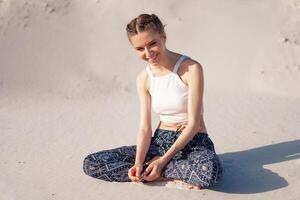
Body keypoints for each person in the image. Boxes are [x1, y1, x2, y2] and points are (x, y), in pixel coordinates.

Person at [83, 13, 223, 190]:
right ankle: (151, 170)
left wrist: (163, 161)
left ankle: (158, 169)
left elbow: (194, 124)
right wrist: (138, 163)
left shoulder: (191, 69)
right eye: (140, 49)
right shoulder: (143, 79)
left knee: (210, 171)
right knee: (91, 163)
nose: (148, 53)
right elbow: (145, 128)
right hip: (159, 142)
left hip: (194, 142)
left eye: (152, 44)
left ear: (163, 37)